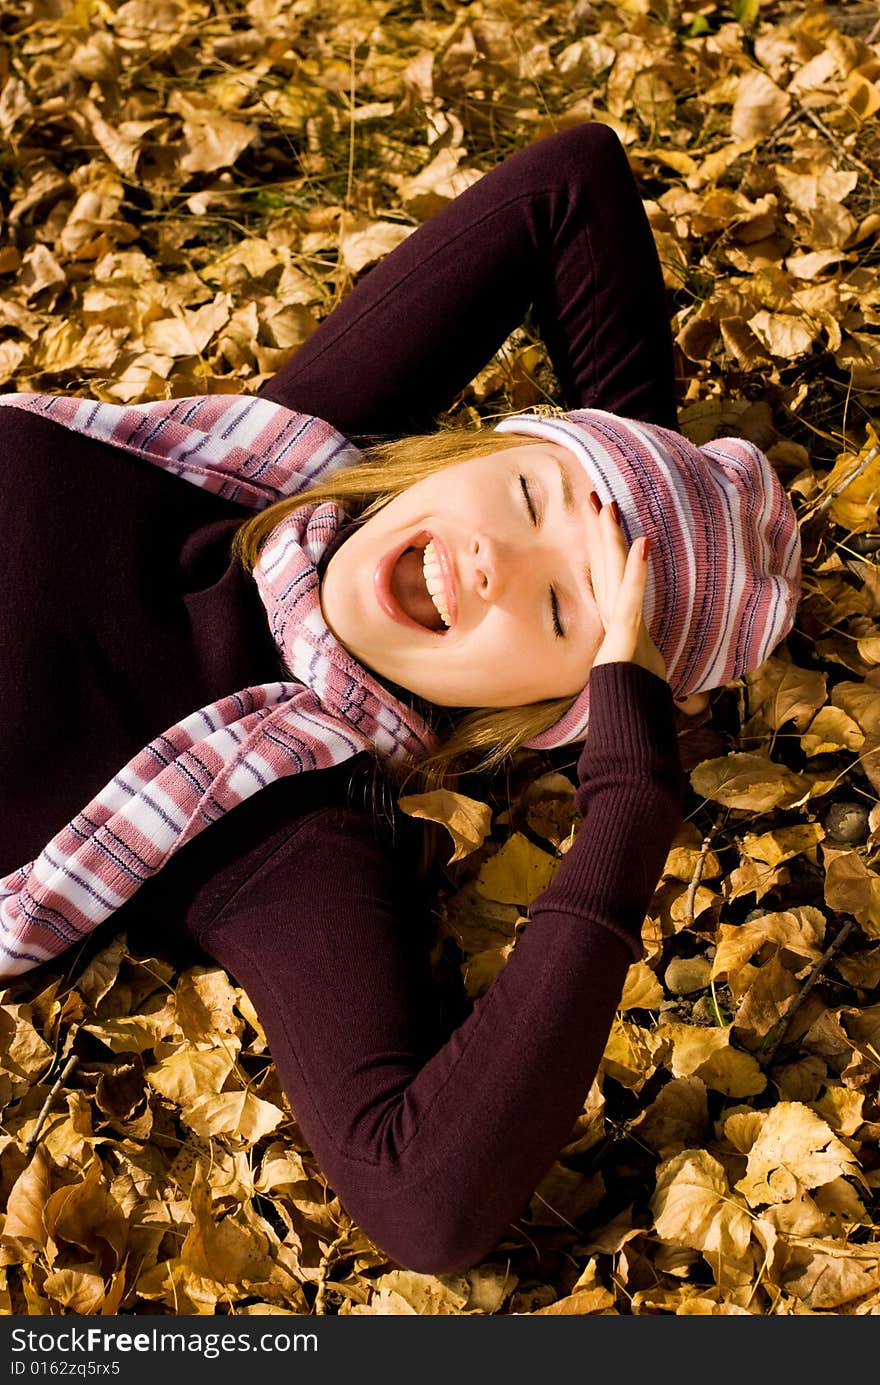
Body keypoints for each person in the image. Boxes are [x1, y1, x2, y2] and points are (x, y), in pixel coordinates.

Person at [0, 124, 800, 1274]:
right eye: (529, 492)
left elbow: (424, 1206)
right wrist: (636, 471)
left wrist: (627, 794)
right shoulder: (289, 458)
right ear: (457, 457)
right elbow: (572, 179)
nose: (496, 560)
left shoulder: (279, 837)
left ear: (543, 717)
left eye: (565, 612)